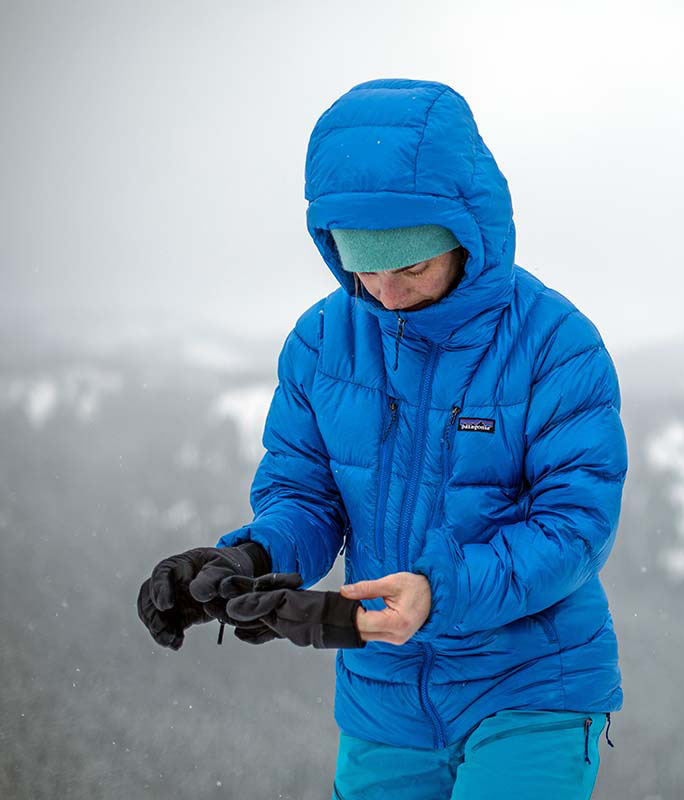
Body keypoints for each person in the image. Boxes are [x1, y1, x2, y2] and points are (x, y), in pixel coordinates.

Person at [135, 77, 628, 799]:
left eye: (412, 266)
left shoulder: (556, 345)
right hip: (383, 693)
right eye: (362, 266)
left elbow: (576, 524)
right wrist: (247, 555)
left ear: (469, 239)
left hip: (531, 681)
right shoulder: (322, 342)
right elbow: (306, 496)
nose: (386, 292)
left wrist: (440, 588)